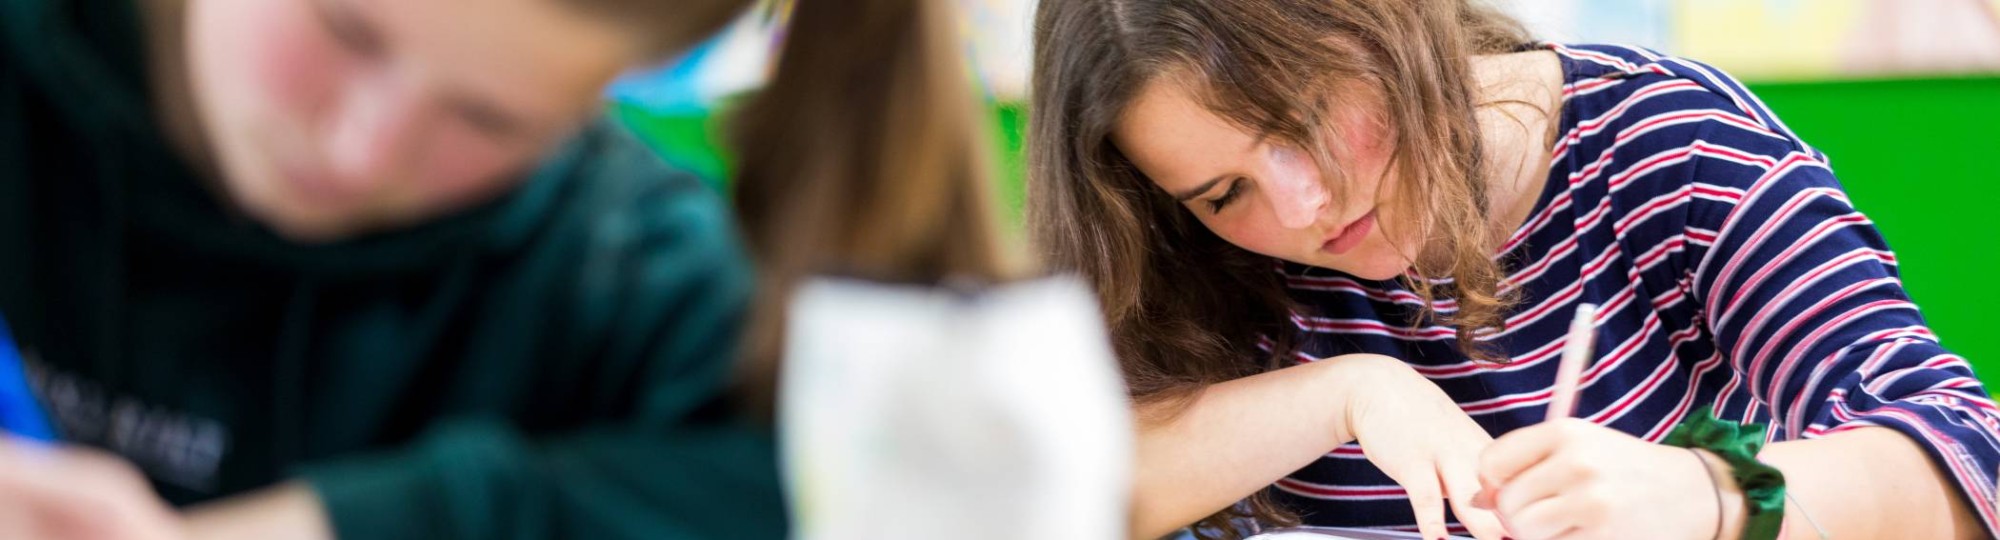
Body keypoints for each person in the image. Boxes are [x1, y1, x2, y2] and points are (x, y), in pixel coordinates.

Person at [0, 0, 987, 537]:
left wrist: (337, 526)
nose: (360, 152)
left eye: (489, 121)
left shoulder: (624, 271)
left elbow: (916, 484)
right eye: (343, 28)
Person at [1027, 0, 1999, 538]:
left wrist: (1714, 497)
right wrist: (1351, 395)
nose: (1301, 210)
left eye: (1305, 119)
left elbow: (1966, 460)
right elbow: (1067, 489)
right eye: (1221, 191)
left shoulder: (1660, 146)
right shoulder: (1181, 251)